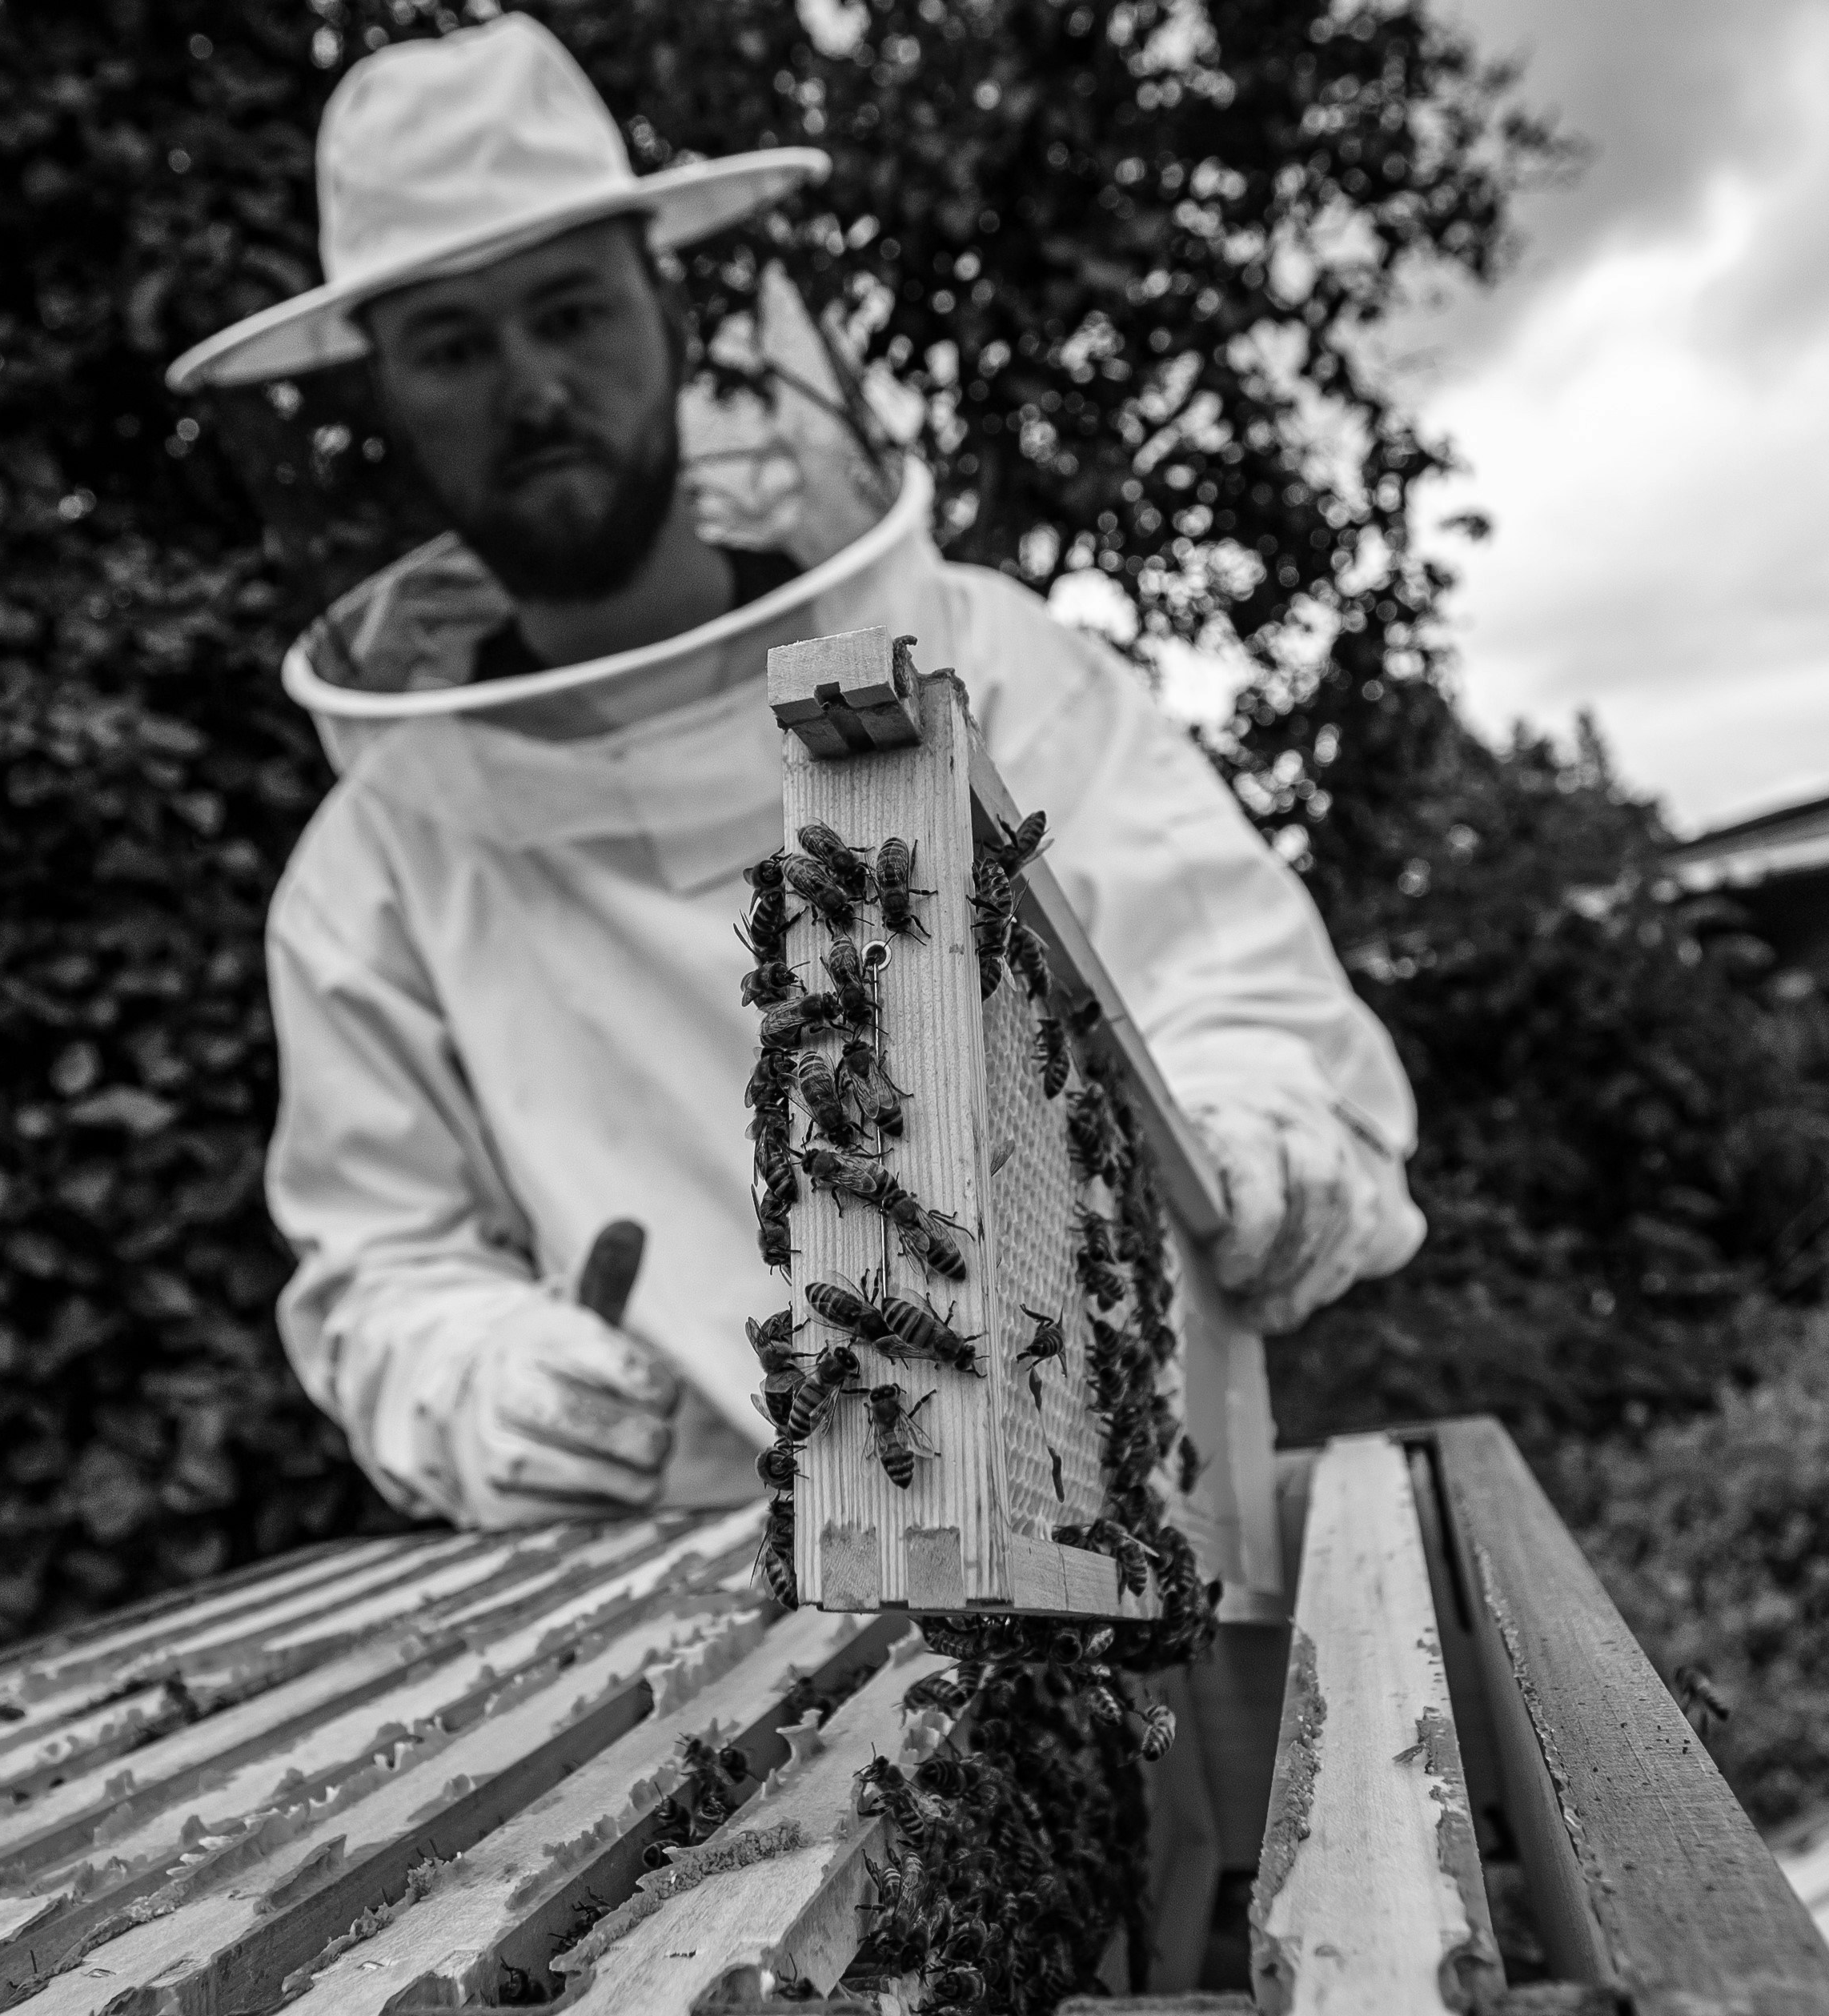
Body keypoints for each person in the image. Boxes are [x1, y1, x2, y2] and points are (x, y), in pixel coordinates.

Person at [167, 16, 1427, 1530]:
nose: (531, 385)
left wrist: (1256, 1126)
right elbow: (384, 1262)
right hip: (684, 1609)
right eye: (451, 345)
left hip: (1129, 1512)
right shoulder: (371, 865)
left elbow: (1242, 997)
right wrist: (473, 1368)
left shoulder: (989, 657)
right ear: (384, 399)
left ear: (674, 319)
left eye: (571, 310)